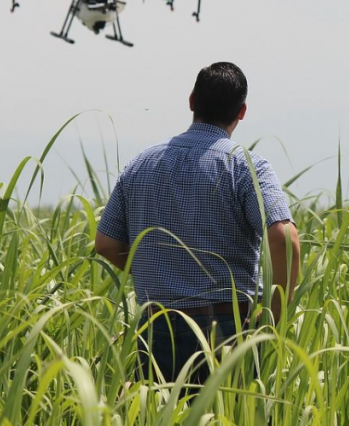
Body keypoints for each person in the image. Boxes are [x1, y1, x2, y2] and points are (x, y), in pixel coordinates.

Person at [94, 61, 301, 385]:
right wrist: (271, 316)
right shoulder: (248, 167)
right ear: (242, 111)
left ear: (192, 101)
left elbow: (106, 243)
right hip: (228, 328)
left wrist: (160, 269)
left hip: (157, 325)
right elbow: (284, 237)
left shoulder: (140, 164)